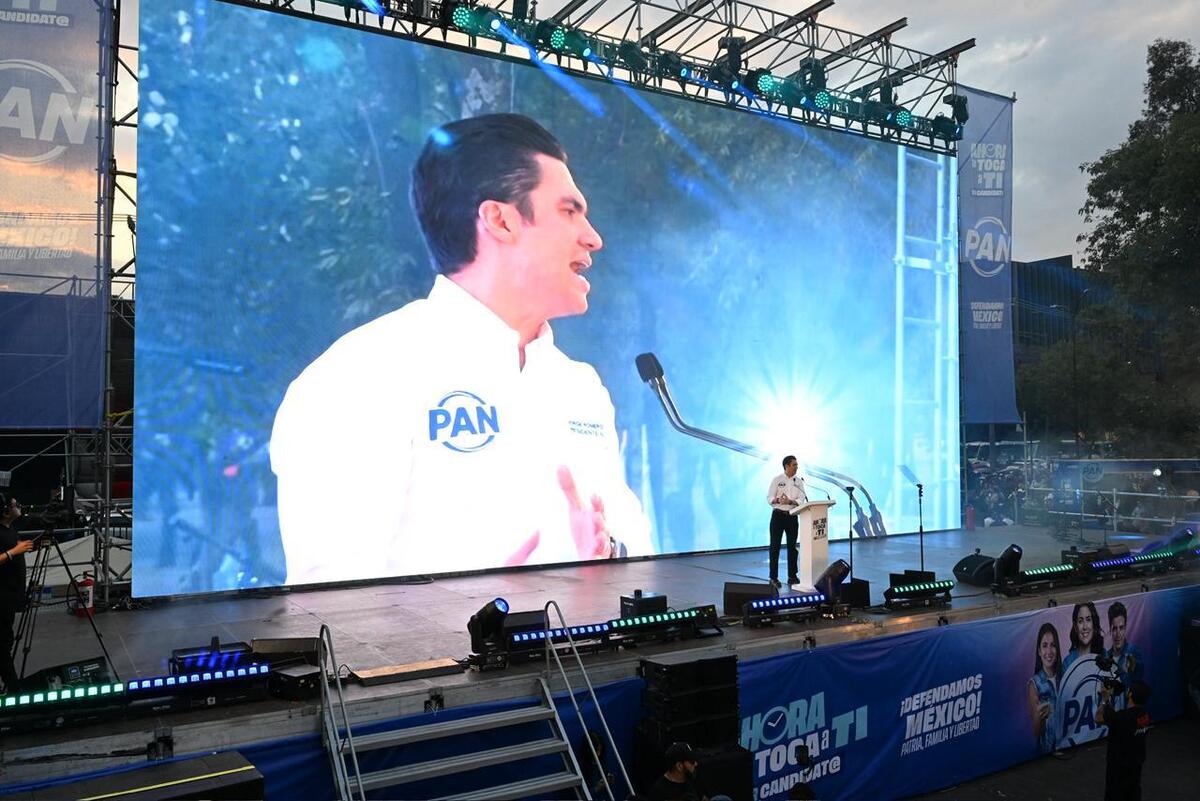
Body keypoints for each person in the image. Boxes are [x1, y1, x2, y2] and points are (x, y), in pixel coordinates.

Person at [270, 114, 653, 583]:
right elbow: (328, 604)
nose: (593, 237)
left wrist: (608, 555)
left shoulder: (580, 387)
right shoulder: (359, 378)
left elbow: (639, 556)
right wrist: (471, 612)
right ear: (500, 220)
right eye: (569, 211)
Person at [0, 494, 35, 694]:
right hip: (1, 599)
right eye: (15, 505)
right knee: (2, 645)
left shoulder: (9, 530)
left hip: (9, 599)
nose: (19, 506)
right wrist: (14, 551)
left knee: (5, 641)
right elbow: (9, 554)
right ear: (5, 511)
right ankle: (14, 689)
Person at [1095, 680, 1151, 801]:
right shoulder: (1145, 716)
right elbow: (1116, 718)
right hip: (1135, 765)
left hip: (1118, 767)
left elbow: (1098, 718)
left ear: (1130, 694)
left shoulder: (1122, 717)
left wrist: (1105, 700)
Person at [766, 455, 807, 588]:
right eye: (794, 465)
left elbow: (802, 499)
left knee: (792, 547)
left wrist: (790, 501)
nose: (796, 467)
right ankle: (773, 578)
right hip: (778, 516)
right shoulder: (777, 480)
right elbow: (769, 497)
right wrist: (778, 500)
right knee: (775, 547)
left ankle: (792, 576)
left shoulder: (798, 482)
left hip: (792, 516)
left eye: (797, 465)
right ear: (787, 466)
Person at [1026, 621, 1062, 754]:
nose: (1049, 651)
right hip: (1046, 756)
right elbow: (1035, 732)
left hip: (1068, 746)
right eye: (1044, 645)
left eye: (1053, 645)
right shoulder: (1034, 684)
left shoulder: (1064, 677)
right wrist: (1040, 716)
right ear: (1039, 651)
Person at [1105, 601, 1145, 708]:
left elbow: (1139, 680)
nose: (1118, 634)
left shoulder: (1134, 652)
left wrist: (1131, 667)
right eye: (1114, 628)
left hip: (1128, 713)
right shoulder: (1105, 656)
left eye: (1121, 628)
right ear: (1110, 629)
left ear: (1126, 628)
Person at [1062, 601, 1104, 672]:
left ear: (1094, 624)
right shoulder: (1068, 663)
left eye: (1088, 620)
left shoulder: (1104, 655)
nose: (1085, 627)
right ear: (1075, 627)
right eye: (1080, 621)